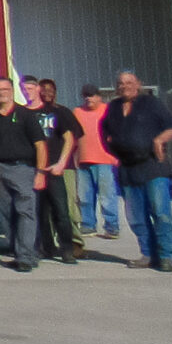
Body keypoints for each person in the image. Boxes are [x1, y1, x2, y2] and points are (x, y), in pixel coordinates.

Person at [100, 70, 172, 272]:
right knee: (136, 216)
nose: (124, 86)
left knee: (160, 213)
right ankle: (147, 254)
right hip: (127, 168)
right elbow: (105, 132)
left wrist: (159, 140)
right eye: (120, 83)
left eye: (129, 82)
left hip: (153, 166)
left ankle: (166, 256)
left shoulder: (151, 103)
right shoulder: (113, 107)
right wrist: (113, 154)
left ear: (138, 84)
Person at [0, 77, 47, 272]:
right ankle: (22, 252)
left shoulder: (24, 115)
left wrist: (40, 172)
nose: (1, 93)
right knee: (7, 215)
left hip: (23, 169)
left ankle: (25, 256)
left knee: (25, 211)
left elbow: (40, 145)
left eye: (4, 89)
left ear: (11, 91)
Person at [26, 77, 84, 264]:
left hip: (56, 168)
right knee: (40, 211)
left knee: (63, 210)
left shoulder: (60, 112)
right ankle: (46, 247)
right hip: (33, 169)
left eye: (50, 90)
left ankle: (68, 248)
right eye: (43, 89)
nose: (45, 93)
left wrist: (62, 163)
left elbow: (71, 138)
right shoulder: (24, 113)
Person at [72, 84, 122, 241]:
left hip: (105, 160)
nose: (89, 98)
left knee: (107, 196)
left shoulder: (108, 110)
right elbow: (73, 137)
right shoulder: (77, 112)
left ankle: (112, 226)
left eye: (92, 95)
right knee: (84, 196)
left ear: (99, 96)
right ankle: (88, 225)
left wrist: (117, 156)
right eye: (86, 95)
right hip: (83, 160)